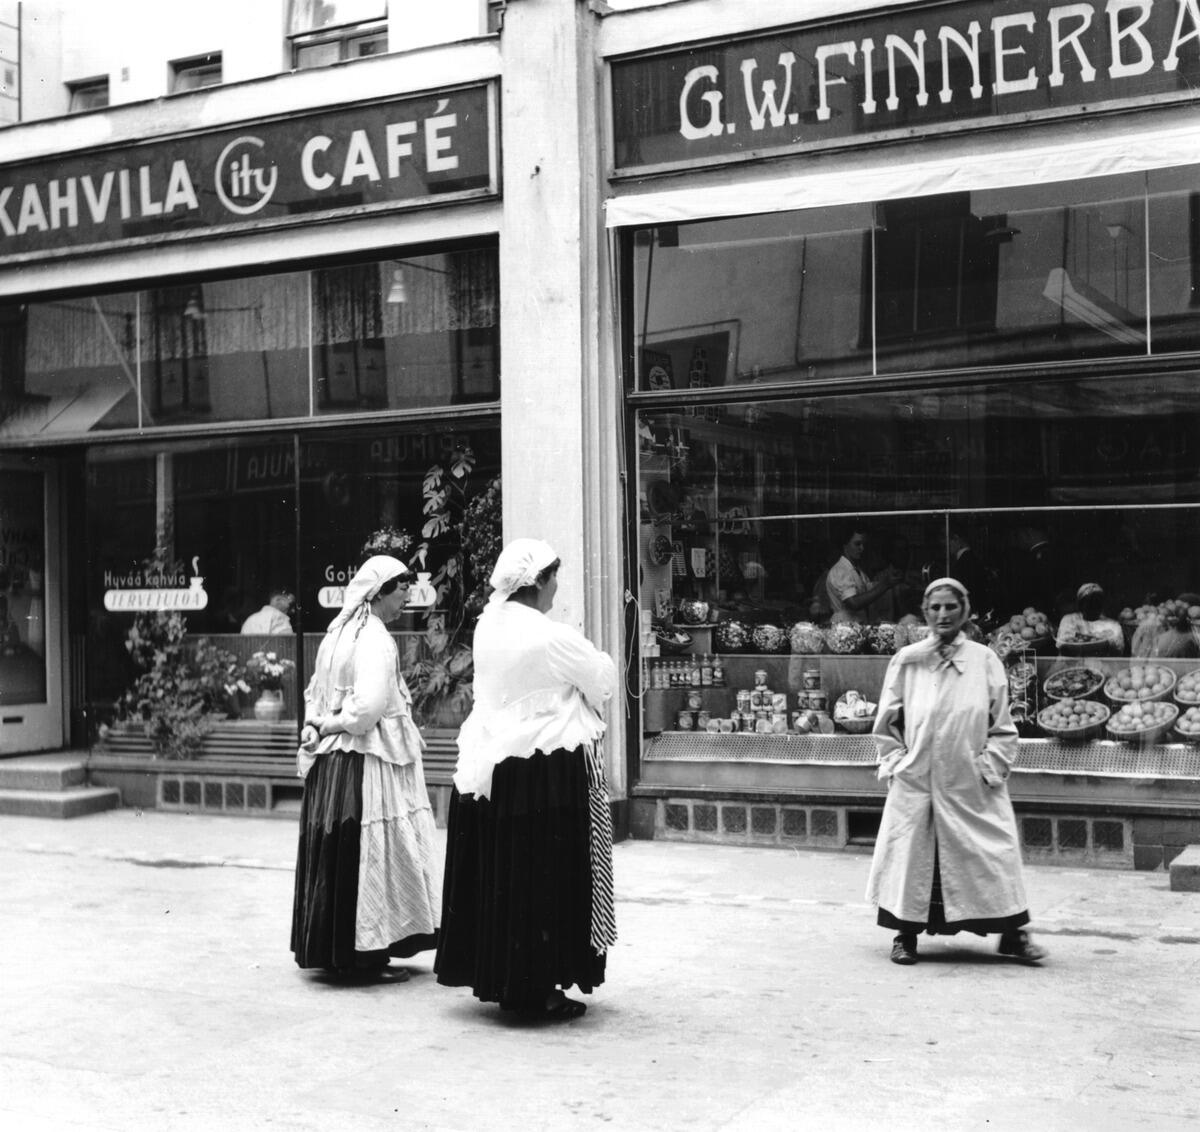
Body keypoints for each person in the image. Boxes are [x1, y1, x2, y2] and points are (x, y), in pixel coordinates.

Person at [435, 538, 617, 1019]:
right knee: (547, 875)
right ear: (537, 582)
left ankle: (511, 979)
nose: (558, 585)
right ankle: (538, 987)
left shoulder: (487, 626)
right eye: (554, 576)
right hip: (545, 768)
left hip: (494, 767)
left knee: (509, 875)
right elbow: (602, 680)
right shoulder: (548, 635)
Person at [866, 577, 1047, 967]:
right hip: (918, 780)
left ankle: (1013, 935)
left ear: (964, 611)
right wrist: (898, 761)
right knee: (913, 858)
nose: (943, 614)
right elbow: (886, 723)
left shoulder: (984, 660)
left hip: (971, 782)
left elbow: (1003, 726)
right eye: (935, 608)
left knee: (994, 851)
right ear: (925, 613)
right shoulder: (908, 660)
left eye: (951, 607)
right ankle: (905, 937)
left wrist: (988, 767)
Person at [290, 556, 441, 978]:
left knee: (344, 854)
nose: (407, 595)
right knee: (371, 855)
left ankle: (341, 951)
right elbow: (368, 711)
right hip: (364, 761)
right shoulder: (374, 638)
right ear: (377, 594)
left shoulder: (335, 635)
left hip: (333, 762)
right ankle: (364, 955)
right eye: (400, 589)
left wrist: (317, 724)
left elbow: (314, 694)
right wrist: (333, 722)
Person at [826, 526, 902, 624]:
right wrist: (885, 584)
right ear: (845, 545)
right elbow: (853, 603)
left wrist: (889, 580)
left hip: (857, 626)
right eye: (857, 544)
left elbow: (869, 591)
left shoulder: (859, 572)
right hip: (843, 626)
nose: (862, 548)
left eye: (864, 544)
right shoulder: (840, 570)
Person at [1056, 583, 1124, 656]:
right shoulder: (1069, 620)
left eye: (1097, 601)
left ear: (1102, 604)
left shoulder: (1113, 625)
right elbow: (1063, 646)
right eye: (1089, 601)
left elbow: (1118, 650)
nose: (1093, 605)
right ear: (1080, 605)